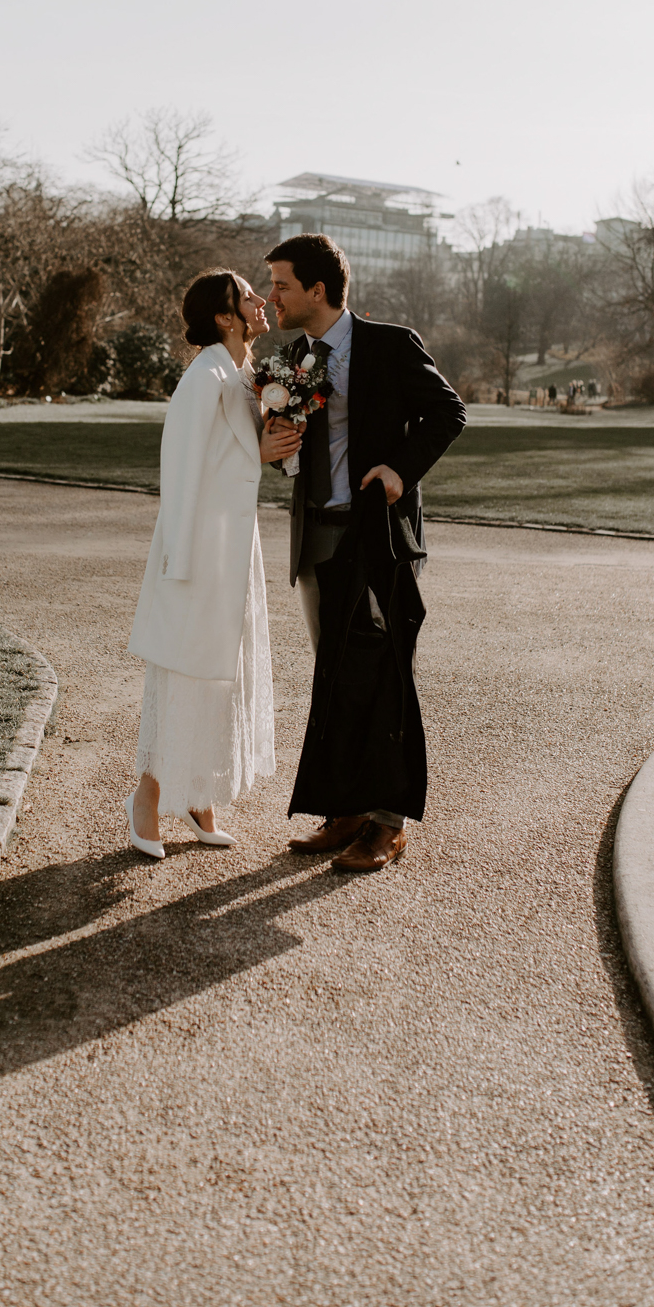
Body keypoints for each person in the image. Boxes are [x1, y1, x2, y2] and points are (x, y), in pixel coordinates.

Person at [264, 233, 467, 873]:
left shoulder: (389, 345)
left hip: (376, 536)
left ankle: (388, 823)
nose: (272, 298)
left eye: (281, 285)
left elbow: (448, 412)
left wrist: (401, 470)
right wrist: (280, 444)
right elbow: (296, 449)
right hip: (316, 534)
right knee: (336, 678)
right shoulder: (294, 357)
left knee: (384, 675)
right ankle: (345, 811)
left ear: (317, 290)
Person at [124, 269, 302, 859]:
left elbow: (240, 458)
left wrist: (270, 447)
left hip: (233, 547)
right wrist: (178, 563)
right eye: (248, 295)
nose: (260, 301)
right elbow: (179, 469)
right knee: (187, 675)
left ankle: (199, 797)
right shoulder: (203, 378)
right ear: (225, 317)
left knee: (224, 675)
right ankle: (146, 800)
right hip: (198, 552)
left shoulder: (244, 374)